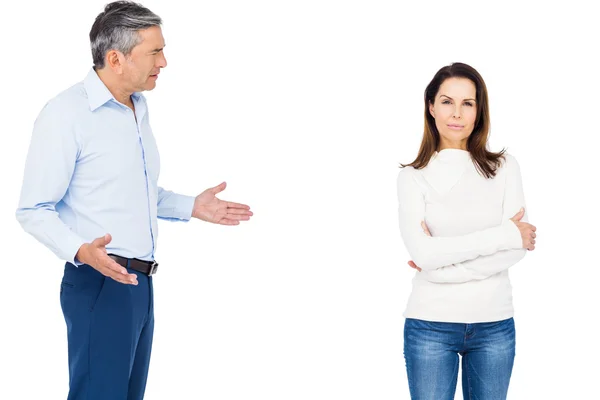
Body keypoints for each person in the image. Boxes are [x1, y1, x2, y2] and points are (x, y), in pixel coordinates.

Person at [15, 2, 253, 399]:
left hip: (140, 284)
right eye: (154, 52)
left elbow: (133, 193)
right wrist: (81, 251)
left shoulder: (137, 109)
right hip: (99, 281)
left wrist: (191, 206)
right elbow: (32, 208)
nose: (164, 62)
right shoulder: (66, 114)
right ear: (116, 58)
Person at [396, 62, 536, 400]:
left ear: (479, 110)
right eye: (446, 101)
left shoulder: (505, 167)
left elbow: (516, 249)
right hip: (430, 325)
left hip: (494, 325)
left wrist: (440, 270)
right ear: (431, 107)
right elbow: (423, 254)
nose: (456, 113)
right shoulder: (413, 176)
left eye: (467, 103)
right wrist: (503, 234)